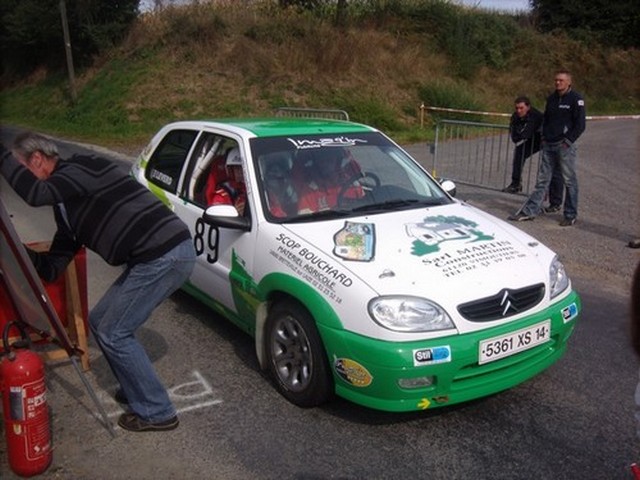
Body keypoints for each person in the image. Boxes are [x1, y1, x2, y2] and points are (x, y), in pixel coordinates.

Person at [0, 132, 196, 433]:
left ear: (37, 159)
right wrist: (14, 249)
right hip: (152, 258)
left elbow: (35, 195)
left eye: (20, 168)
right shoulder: (66, 208)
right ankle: (136, 390)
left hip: (166, 253)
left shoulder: (81, 167)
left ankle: (157, 411)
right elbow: (53, 266)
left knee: (114, 331)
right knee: (101, 320)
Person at [508, 69, 586, 226]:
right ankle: (530, 211)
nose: (558, 83)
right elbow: (546, 120)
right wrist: (543, 137)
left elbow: (580, 125)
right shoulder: (551, 99)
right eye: (556, 80)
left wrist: (568, 141)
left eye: (561, 80)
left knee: (569, 180)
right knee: (542, 181)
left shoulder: (576, 99)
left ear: (569, 82)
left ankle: (570, 214)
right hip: (548, 144)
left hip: (564, 147)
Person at [296, 147, 363, 214]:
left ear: (338, 162)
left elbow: (364, 204)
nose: (326, 164)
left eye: (330, 160)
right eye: (323, 161)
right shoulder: (309, 191)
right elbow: (305, 217)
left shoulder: (351, 184)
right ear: (317, 164)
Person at [502, 96, 543, 194]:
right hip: (532, 139)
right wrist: (519, 135)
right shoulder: (515, 116)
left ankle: (546, 192)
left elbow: (527, 132)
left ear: (528, 107)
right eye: (517, 108)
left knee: (549, 164)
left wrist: (521, 134)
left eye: (521, 108)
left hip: (545, 138)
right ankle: (515, 184)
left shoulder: (535, 115)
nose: (519, 111)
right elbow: (514, 133)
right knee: (519, 153)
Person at [206, 147, 247, 215]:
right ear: (230, 170)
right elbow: (217, 217)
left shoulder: (255, 189)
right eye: (237, 168)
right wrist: (235, 212)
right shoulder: (221, 196)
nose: (241, 172)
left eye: (243, 168)